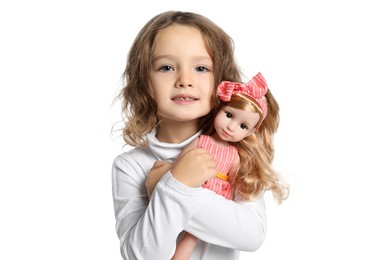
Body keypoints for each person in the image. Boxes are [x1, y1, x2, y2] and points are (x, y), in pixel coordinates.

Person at [111, 10, 287, 260]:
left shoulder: (239, 153)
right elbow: (141, 255)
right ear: (144, 82)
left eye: (201, 68)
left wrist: (170, 186)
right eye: (167, 67)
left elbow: (252, 234)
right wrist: (175, 185)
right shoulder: (130, 167)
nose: (185, 80)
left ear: (221, 81)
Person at [167, 72, 288, 259]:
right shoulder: (202, 141)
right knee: (176, 231)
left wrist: (225, 207)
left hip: (217, 200)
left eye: (243, 126)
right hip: (192, 184)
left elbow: (233, 186)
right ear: (220, 108)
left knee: (192, 239)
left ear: (251, 132)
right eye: (229, 115)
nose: (231, 127)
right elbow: (179, 165)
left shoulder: (234, 156)